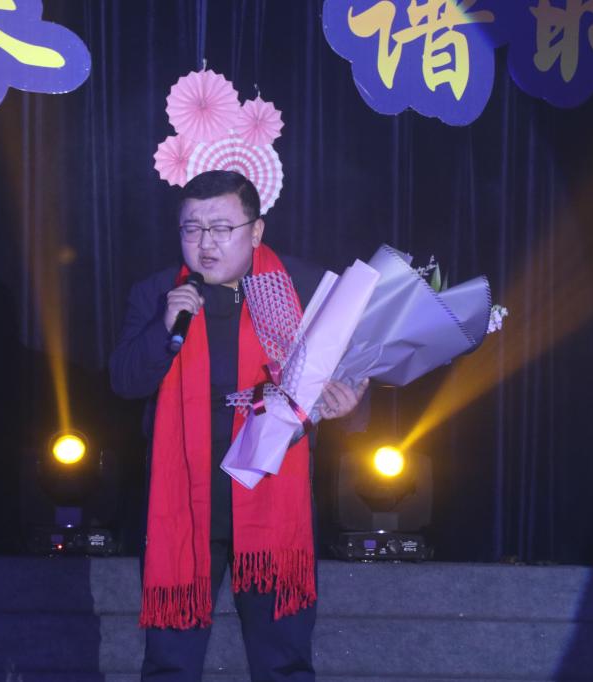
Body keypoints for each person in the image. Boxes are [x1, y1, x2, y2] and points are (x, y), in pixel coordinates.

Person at [110, 170, 368, 681]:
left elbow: (354, 368)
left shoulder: (300, 286)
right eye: (192, 229)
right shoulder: (159, 293)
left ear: (256, 231)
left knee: (283, 663)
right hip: (184, 505)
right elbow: (124, 381)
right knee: (169, 665)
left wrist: (349, 405)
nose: (205, 244)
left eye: (221, 229)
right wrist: (165, 326)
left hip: (272, 499)